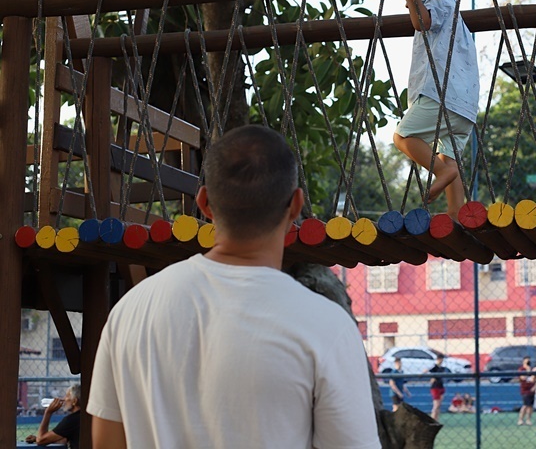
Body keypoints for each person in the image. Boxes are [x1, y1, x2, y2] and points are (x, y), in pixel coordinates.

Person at [86, 125, 380, 449]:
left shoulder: (131, 310)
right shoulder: (327, 326)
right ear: (296, 205)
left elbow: (105, 442)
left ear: (204, 202)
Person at [393, 0, 479, 220]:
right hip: (464, 105)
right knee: (449, 157)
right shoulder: (454, 13)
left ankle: (442, 172)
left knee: (403, 136)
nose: (407, 5)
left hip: (441, 95)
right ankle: (455, 212)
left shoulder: (439, 0)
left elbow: (422, 21)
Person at [25, 383, 81, 448]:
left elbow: (40, 440)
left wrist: (48, 413)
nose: (63, 399)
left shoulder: (71, 420)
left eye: (67, 396)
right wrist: (44, 438)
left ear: (74, 401)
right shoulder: (83, 417)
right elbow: (64, 439)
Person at [427, 353, 450, 420]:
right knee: (436, 405)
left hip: (440, 386)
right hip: (435, 387)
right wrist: (432, 378)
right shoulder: (434, 367)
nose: (441, 361)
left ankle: (436, 419)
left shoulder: (442, 368)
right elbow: (428, 372)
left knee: (439, 405)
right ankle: (432, 419)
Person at [517, 356, 535, 425]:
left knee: (530, 406)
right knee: (525, 405)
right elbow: (523, 378)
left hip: (531, 389)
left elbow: (534, 378)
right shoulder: (521, 369)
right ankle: (520, 419)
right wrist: (527, 370)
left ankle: (528, 419)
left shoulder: (532, 369)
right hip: (525, 390)